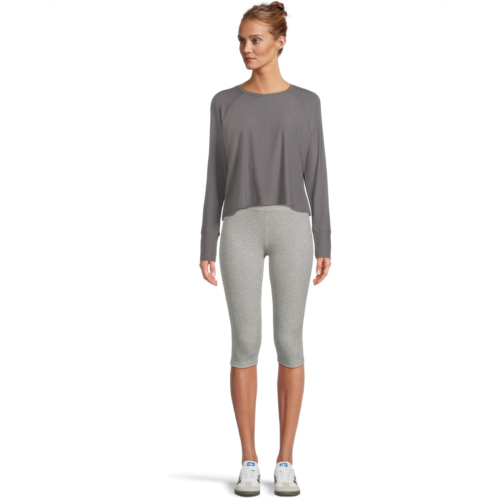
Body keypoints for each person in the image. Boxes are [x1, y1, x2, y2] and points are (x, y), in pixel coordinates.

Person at [199, 2, 331, 496]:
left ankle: (286, 460)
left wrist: (325, 238)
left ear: (280, 41)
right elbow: (215, 174)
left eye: (255, 39)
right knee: (245, 343)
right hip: (239, 227)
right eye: (241, 40)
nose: (246, 49)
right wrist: (207, 238)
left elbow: (318, 171)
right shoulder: (224, 103)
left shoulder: (307, 103)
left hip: (294, 226)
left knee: (290, 343)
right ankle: (249, 460)